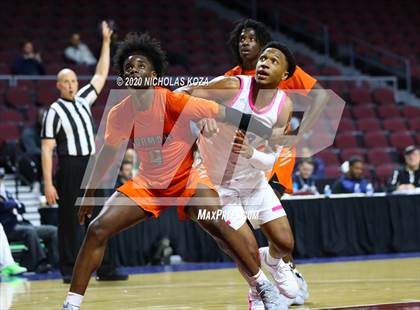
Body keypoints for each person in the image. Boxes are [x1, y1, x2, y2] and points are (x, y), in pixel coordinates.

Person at [62, 32, 285, 310]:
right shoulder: (120, 112)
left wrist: (267, 130)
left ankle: (263, 286)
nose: (134, 70)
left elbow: (225, 114)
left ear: (154, 76)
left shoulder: (173, 101)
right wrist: (88, 193)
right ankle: (71, 304)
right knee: (97, 229)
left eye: (140, 66)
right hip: (148, 184)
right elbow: (106, 155)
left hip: (187, 180)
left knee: (217, 223)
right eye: (128, 67)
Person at [178, 41, 304, 309]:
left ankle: (272, 260)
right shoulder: (232, 86)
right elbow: (181, 94)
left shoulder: (284, 106)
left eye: (273, 61)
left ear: (284, 74)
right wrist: (201, 113)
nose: (264, 63)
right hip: (220, 184)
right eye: (263, 58)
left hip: (254, 182)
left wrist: (250, 154)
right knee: (242, 249)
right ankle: (257, 293)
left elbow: (271, 157)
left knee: (284, 243)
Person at [224, 18, 316, 305]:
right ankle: (262, 286)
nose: (245, 42)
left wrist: (298, 135)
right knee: (243, 235)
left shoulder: (282, 67)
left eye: (252, 37)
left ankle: (286, 273)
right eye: (241, 37)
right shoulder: (232, 78)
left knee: (273, 230)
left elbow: (321, 99)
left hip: (273, 158)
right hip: (239, 166)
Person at [42, 21, 126, 283]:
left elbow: (101, 75)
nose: (70, 85)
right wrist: (47, 184)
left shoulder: (83, 99)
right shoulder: (53, 111)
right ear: (58, 86)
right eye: (65, 82)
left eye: (73, 80)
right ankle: (68, 269)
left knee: (102, 215)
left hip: (92, 165)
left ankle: (106, 268)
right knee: (69, 220)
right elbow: (47, 150)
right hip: (69, 166)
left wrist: (106, 42)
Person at [0, 171, 58, 272]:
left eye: (2, 178)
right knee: (30, 231)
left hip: (23, 223)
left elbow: (22, 207)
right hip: (9, 227)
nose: (1, 180)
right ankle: (41, 262)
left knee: (53, 230)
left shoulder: (7, 193)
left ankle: (55, 262)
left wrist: (12, 204)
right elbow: (6, 206)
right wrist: (13, 204)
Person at [20, 108, 45, 182]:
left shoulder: (52, 132)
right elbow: (32, 150)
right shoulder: (29, 132)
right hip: (32, 163)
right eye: (43, 117)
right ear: (38, 119)